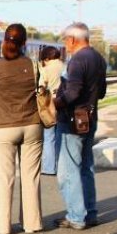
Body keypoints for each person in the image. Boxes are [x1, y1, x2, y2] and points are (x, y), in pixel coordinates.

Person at [0, 24, 43, 234]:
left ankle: (2, 225)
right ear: (25, 43)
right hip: (32, 126)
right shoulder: (34, 65)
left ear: (5, 40)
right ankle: (33, 223)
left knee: (5, 177)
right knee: (31, 177)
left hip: (4, 127)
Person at [54, 22, 107, 230]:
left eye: (66, 40)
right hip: (90, 119)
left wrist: (54, 103)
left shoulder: (77, 60)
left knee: (68, 171)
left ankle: (76, 216)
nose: (66, 45)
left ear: (73, 39)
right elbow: (101, 92)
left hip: (71, 122)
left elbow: (72, 93)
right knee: (86, 168)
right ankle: (90, 213)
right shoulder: (98, 59)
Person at [38, 46, 65, 175]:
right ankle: (61, 167)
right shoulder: (65, 66)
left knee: (49, 137)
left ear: (47, 58)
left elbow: (41, 87)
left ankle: (49, 168)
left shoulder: (46, 69)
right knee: (62, 136)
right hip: (65, 104)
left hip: (50, 105)